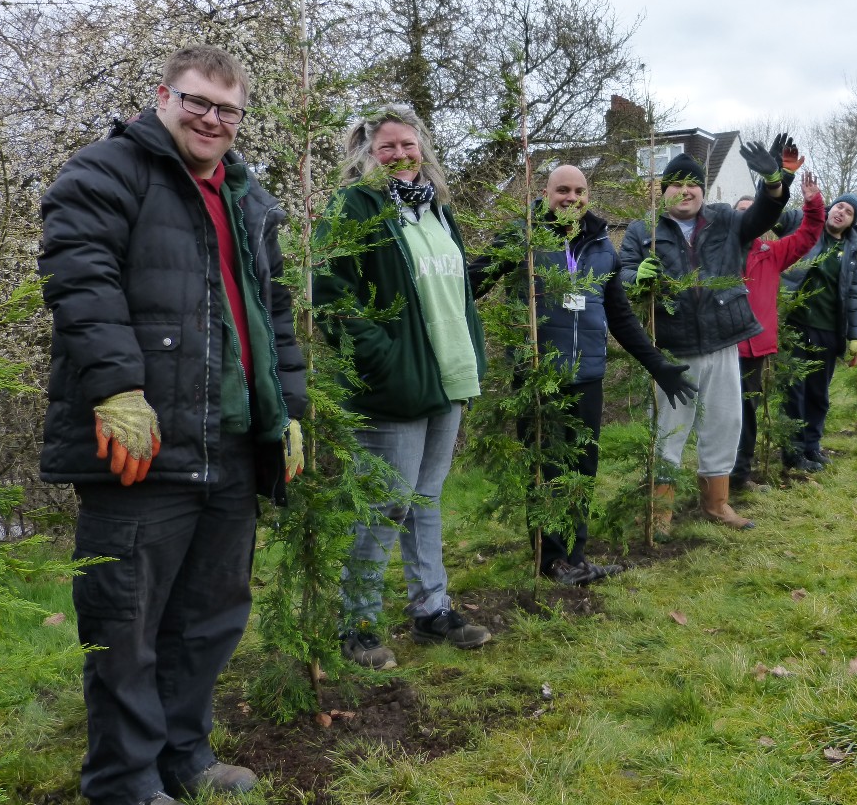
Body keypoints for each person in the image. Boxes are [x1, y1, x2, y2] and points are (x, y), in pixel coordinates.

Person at [39, 44, 307, 805]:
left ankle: (184, 759)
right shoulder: (104, 172)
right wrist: (120, 389)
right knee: (124, 626)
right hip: (142, 446)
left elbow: (274, 318)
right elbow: (79, 279)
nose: (212, 120)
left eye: (227, 110)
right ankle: (123, 783)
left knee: (208, 618)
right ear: (163, 97)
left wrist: (288, 412)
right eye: (197, 102)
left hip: (229, 445)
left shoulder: (249, 199)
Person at [313, 103, 490, 672]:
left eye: (407, 145)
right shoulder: (352, 208)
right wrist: (381, 360)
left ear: (423, 150)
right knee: (383, 504)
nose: (398, 155)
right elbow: (329, 293)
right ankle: (357, 623)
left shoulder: (435, 210)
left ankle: (431, 608)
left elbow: (450, 292)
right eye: (385, 147)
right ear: (365, 154)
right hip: (393, 384)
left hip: (446, 374)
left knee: (426, 500)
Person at [468, 164, 698, 586]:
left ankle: (577, 556)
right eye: (563, 191)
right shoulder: (524, 236)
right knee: (547, 470)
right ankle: (551, 560)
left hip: (588, 376)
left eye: (579, 191)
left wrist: (658, 364)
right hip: (541, 377)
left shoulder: (601, 246)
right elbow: (472, 282)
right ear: (545, 193)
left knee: (582, 469)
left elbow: (620, 316)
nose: (571, 199)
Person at [618, 137, 793, 533]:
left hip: (724, 341)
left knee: (724, 423)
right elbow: (622, 272)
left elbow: (764, 217)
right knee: (668, 429)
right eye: (675, 183)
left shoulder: (727, 220)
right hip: (673, 350)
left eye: (692, 184)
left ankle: (717, 504)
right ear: (663, 191)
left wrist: (773, 182)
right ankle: (658, 512)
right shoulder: (642, 229)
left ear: (703, 189)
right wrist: (635, 277)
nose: (685, 190)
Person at [731, 164, 825, 492]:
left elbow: (809, 234)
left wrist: (813, 202)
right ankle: (714, 482)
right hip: (720, 346)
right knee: (721, 416)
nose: (746, 217)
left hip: (753, 349)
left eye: (751, 211)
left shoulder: (771, 253)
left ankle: (739, 478)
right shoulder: (718, 253)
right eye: (740, 213)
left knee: (748, 414)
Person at [780, 192, 857, 474]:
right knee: (795, 391)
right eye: (839, 206)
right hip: (795, 324)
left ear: (852, 223)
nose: (841, 212)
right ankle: (792, 452)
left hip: (829, 330)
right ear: (830, 208)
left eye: (849, 212)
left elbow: (854, 296)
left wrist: (855, 337)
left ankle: (811, 447)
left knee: (819, 393)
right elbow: (772, 214)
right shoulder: (803, 223)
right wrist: (778, 181)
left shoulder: (854, 252)